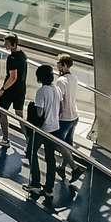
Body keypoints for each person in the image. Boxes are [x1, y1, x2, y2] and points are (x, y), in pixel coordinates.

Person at [27, 63, 58, 200]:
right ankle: (49, 188)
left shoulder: (41, 92)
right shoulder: (56, 89)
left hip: (42, 129)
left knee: (30, 152)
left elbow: (39, 113)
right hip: (54, 127)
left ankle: (35, 183)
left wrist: (32, 107)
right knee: (50, 158)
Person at [53, 53, 83, 199]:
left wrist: (55, 117)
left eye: (59, 63)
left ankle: (75, 168)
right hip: (74, 116)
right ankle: (62, 167)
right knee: (68, 144)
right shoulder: (74, 78)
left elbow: (59, 101)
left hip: (64, 117)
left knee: (58, 143)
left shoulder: (61, 81)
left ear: (64, 65)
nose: (57, 65)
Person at [0, 32, 27, 152]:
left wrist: (3, 89)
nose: (5, 45)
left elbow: (13, 77)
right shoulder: (23, 55)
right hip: (21, 90)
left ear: (13, 44)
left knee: (2, 112)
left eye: (7, 43)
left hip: (10, 90)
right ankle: (29, 142)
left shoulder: (12, 58)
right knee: (20, 116)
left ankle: (5, 138)